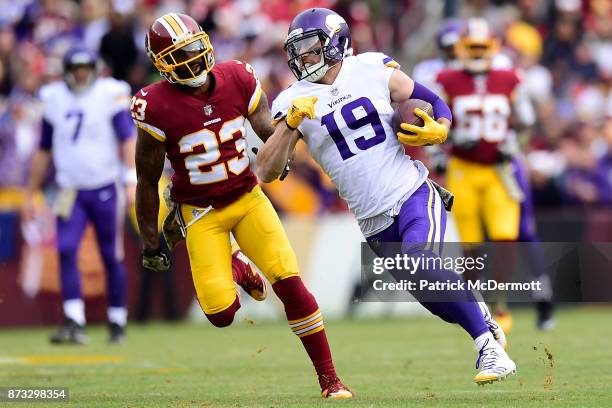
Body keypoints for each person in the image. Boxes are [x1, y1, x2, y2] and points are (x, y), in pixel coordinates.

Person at [257, 8, 516, 385]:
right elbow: (266, 170)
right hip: (371, 218)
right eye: (298, 51)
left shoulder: (372, 68)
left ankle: (489, 349)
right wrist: (290, 126)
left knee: (420, 258)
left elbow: (434, 102)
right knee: (434, 299)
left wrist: (439, 130)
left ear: (335, 44)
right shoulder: (292, 100)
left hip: (411, 191)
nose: (303, 58)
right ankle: (479, 316)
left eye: (311, 48)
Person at [133, 13, 352, 398]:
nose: (192, 58)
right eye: (180, 53)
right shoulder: (154, 104)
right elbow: (148, 181)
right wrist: (151, 241)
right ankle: (237, 264)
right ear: (162, 63)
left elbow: (267, 129)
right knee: (221, 315)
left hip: (248, 198)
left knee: (291, 284)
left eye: (194, 47)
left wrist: (286, 141)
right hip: (200, 213)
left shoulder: (237, 76)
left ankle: (330, 379)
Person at [25, 45, 135, 344]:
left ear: (95, 68)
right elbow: (43, 149)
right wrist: (30, 192)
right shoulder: (54, 98)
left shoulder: (110, 92)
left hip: (105, 187)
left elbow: (127, 138)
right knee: (65, 249)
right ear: (67, 72)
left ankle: (117, 320)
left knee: (111, 255)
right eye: (76, 69)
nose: (82, 74)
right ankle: (74, 320)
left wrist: (130, 178)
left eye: (86, 68)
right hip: (69, 190)